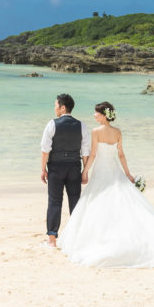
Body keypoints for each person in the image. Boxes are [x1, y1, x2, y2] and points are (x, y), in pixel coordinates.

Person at [59, 102, 154, 268]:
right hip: (115, 171)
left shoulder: (96, 132)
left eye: (96, 113)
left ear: (103, 115)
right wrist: (127, 174)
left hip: (101, 172)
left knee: (98, 203)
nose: (94, 115)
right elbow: (121, 154)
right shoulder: (117, 132)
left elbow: (93, 154)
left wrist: (85, 171)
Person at [40, 93, 90, 247]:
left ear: (62, 108)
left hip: (56, 167)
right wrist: (84, 172)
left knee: (54, 201)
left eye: (56, 106)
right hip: (74, 167)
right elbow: (85, 151)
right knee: (75, 201)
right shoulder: (81, 125)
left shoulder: (52, 124)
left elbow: (45, 149)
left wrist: (43, 169)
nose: (54, 108)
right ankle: (76, 238)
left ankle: (52, 240)